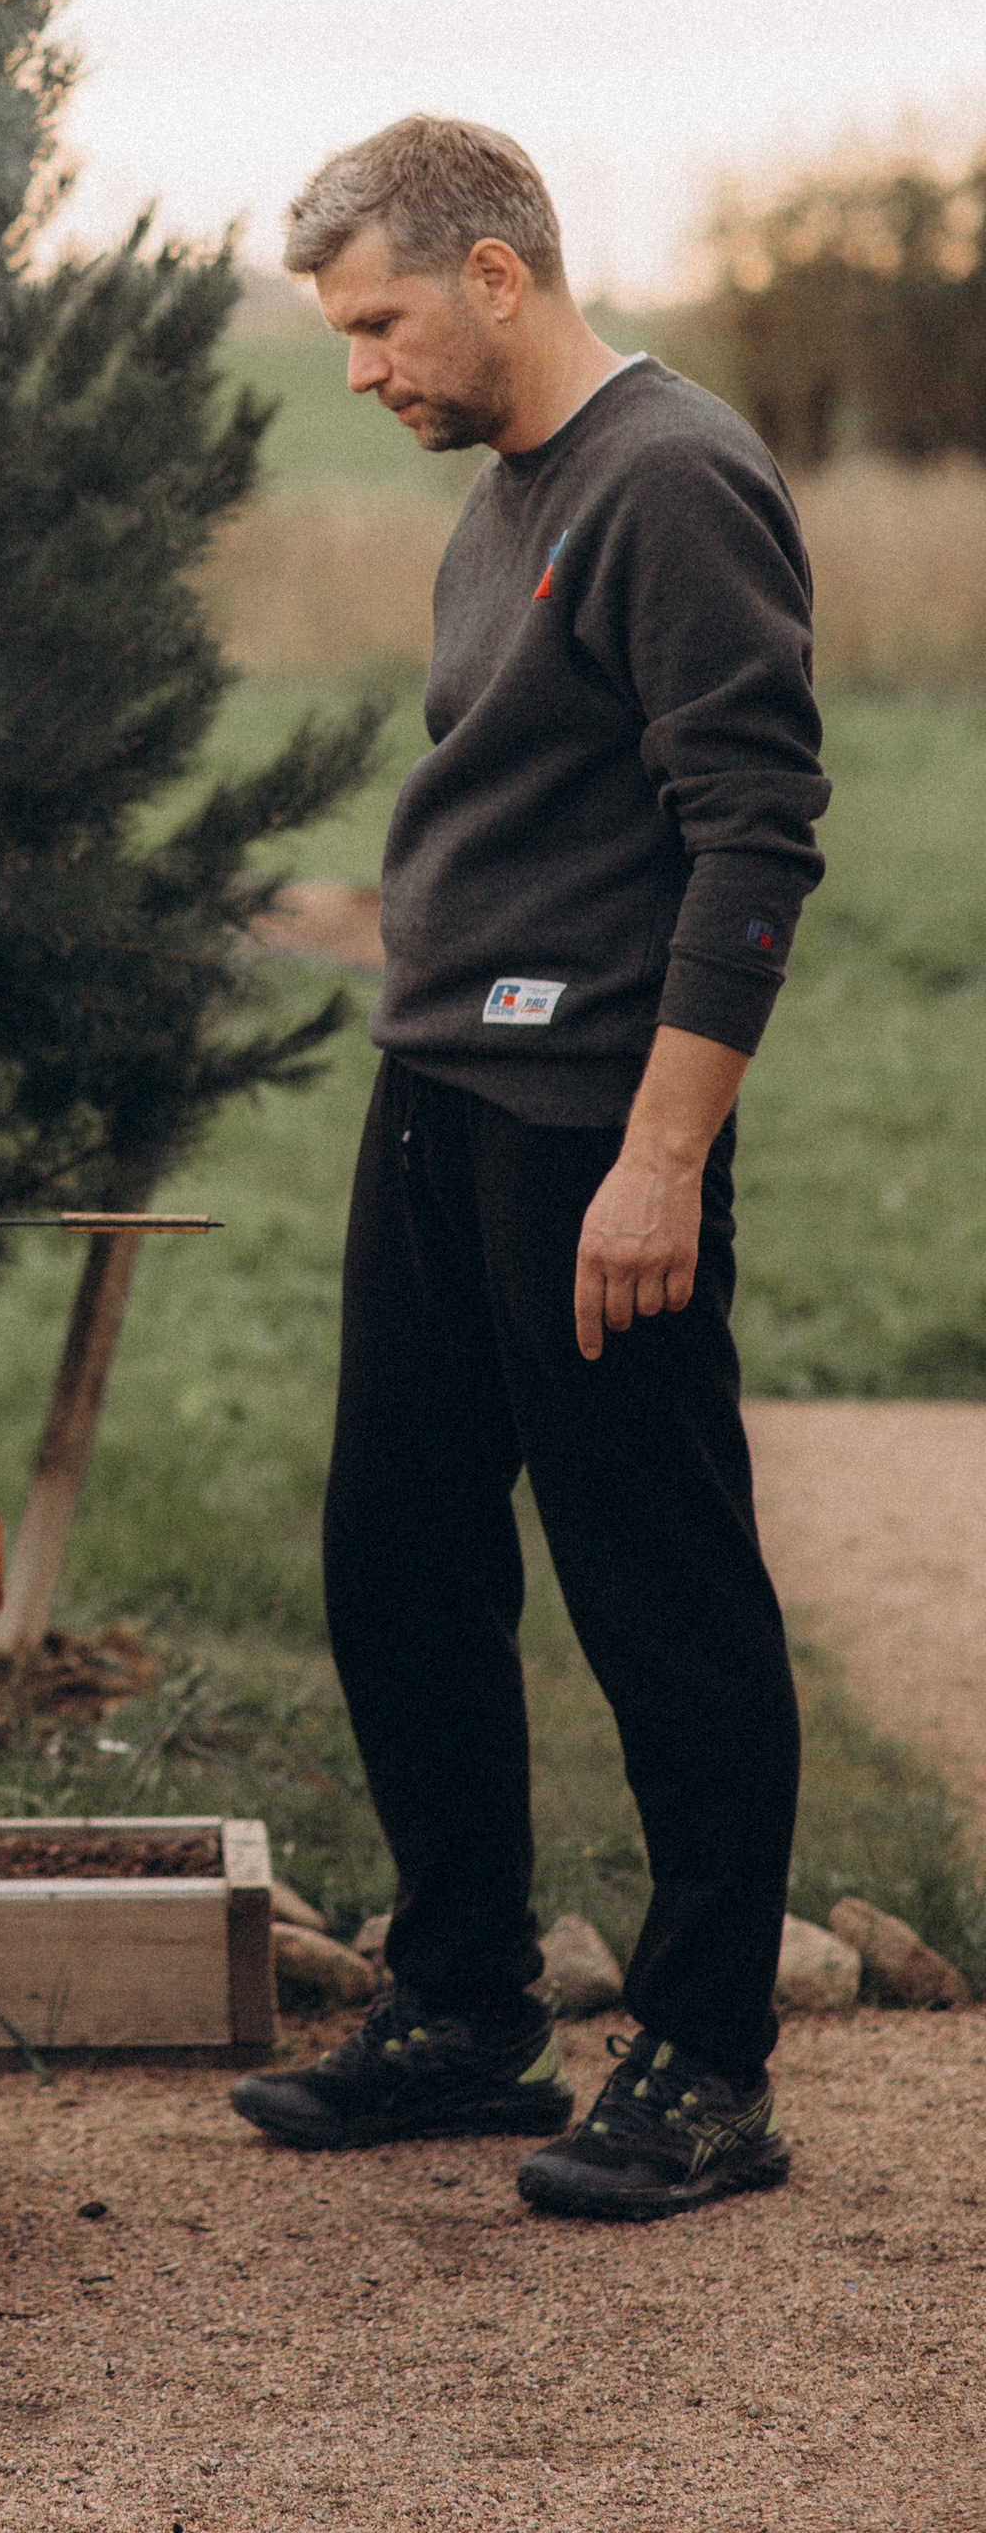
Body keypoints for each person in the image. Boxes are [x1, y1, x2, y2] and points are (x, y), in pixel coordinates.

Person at [228, 117, 827, 2220]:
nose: (359, 366)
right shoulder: (500, 495)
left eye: (378, 319)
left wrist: (661, 1159)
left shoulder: (664, 478)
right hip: (435, 1103)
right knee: (394, 1561)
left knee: (652, 1587)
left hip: (590, 1130)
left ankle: (704, 2060)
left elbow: (750, 837)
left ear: (496, 276)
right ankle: (466, 2000)